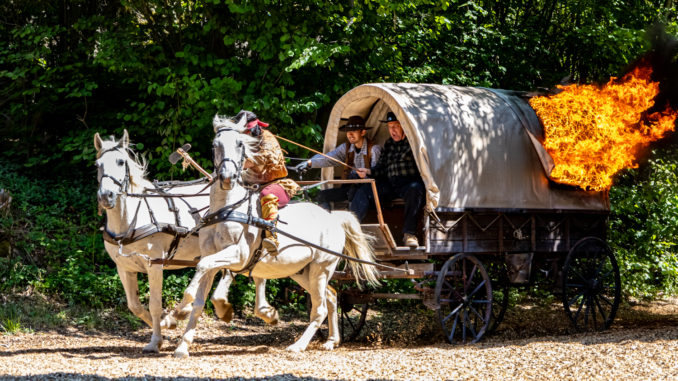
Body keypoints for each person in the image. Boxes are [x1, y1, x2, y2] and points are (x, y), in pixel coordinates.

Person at [353, 112, 425, 247]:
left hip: (409, 183)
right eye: (390, 127)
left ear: (404, 126)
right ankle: (352, 230)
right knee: (364, 191)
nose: (392, 130)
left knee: (416, 189)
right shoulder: (389, 144)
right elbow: (381, 168)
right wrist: (368, 171)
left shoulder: (413, 143)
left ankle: (409, 234)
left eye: (396, 126)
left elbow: (424, 168)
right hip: (391, 184)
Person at [236, 110, 300, 255]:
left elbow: (262, 159)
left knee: (267, 194)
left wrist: (238, 164)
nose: (246, 133)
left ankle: (272, 236)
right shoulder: (241, 140)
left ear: (255, 126)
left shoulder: (267, 138)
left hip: (276, 185)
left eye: (248, 129)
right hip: (250, 184)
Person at [294, 115, 381, 210]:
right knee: (321, 196)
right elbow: (328, 158)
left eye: (354, 131)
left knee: (358, 195)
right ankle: (329, 221)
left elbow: (378, 175)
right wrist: (309, 163)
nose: (350, 134)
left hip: (368, 190)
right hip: (350, 188)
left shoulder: (374, 149)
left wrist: (365, 176)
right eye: (348, 131)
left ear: (363, 132)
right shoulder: (346, 148)